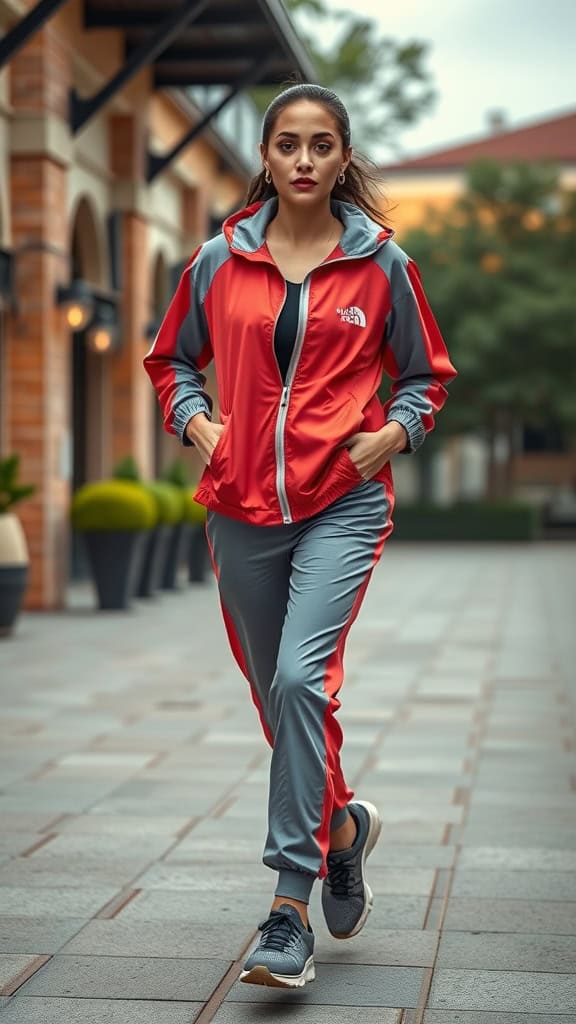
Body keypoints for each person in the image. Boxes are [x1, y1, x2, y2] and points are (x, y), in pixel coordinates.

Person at [144, 83, 456, 990]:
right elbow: (170, 359)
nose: (306, 160)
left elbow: (426, 375)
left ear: (343, 157)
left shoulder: (381, 266)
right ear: (270, 158)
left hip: (342, 499)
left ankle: (287, 909)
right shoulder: (216, 260)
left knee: (298, 679)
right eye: (289, 144)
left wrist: (394, 435)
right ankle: (345, 829)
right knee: (277, 699)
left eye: (323, 144)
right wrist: (196, 421)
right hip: (239, 502)